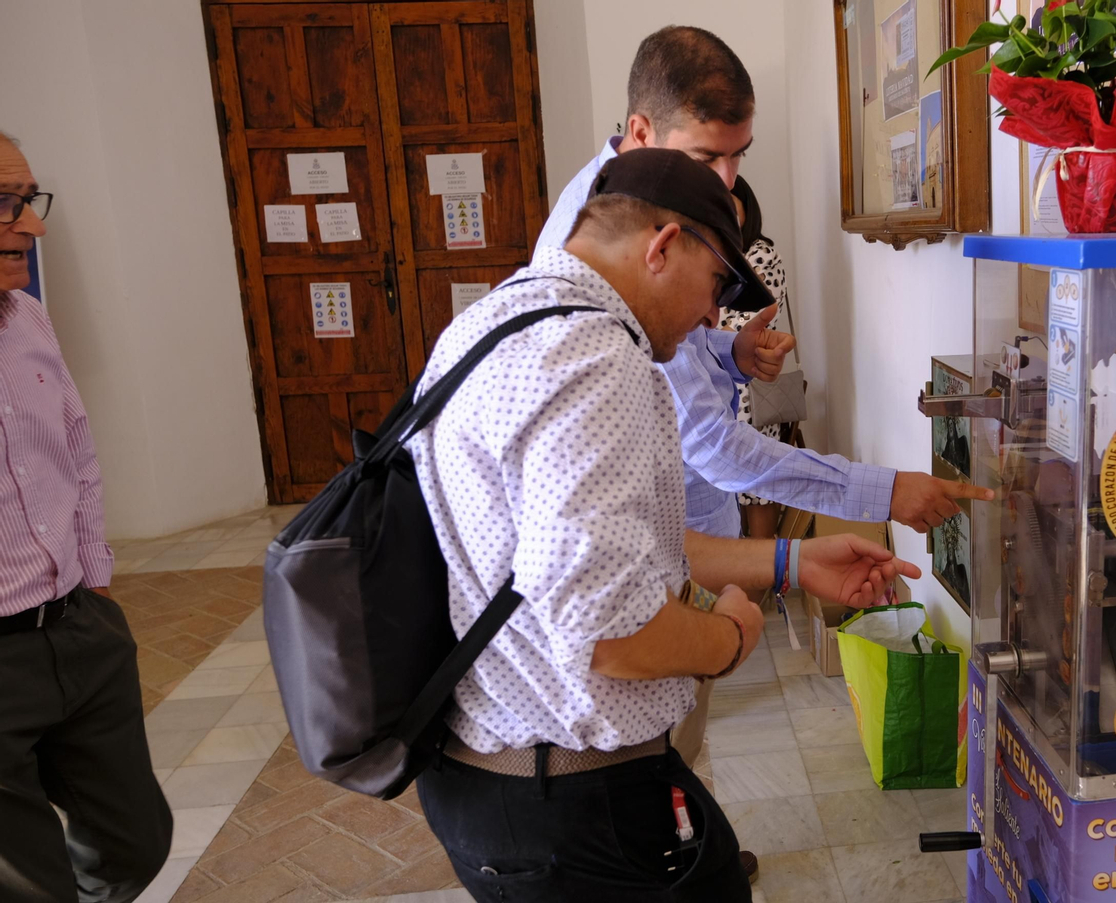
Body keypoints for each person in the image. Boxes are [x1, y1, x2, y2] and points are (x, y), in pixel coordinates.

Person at [407, 147, 918, 902]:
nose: (713, 317)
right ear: (663, 246)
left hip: (497, 781)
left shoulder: (494, 320)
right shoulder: (597, 359)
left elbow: (613, 549)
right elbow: (611, 633)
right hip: (571, 803)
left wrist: (788, 562)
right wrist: (729, 637)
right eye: (716, 284)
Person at [537, 25, 991, 544]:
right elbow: (712, 444)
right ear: (641, 133)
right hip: (667, 543)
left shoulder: (630, 197)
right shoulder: (608, 241)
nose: (727, 180)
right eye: (706, 158)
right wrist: (884, 492)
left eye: (739, 155)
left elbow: (662, 352)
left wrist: (728, 351)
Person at [0, 135, 173, 902]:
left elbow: (76, 446)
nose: (32, 225)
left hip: (77, 628)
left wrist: (95, 582)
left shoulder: (30, 318)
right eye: (5, 203)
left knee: (135, 841)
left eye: (27, 200)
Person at [720, 176, 790, 540]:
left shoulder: (760, 254)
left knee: (758, 488)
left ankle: (763, 569)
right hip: (722, 388)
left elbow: (746, 326)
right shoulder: (719, 253)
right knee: (732, 490)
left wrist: (708, 326)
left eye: (731, 208)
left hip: (750, 390)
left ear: (748, 210)